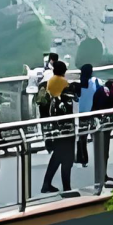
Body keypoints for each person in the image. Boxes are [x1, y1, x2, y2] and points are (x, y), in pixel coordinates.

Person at [41, 61, 76, 194]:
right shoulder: (64, 83)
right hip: (65, 124)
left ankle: (47, 183)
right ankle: (66, 187)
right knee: (67, 157)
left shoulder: (50, 81)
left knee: (57, 155)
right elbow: (71, 100)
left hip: (54, 121)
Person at [75, 64, 103, 166]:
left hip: (81, 113)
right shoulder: (95, 82)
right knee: (90, 135)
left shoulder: (78, 85)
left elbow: (77, 98)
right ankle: (92, 158)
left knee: (81, 136)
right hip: (91, 111)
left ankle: (82, 157)